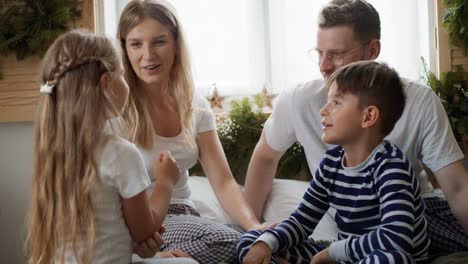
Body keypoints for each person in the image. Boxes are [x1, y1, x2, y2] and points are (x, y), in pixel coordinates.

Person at [243, 0, 468, 255]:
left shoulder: (417, 102)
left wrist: (335, 253)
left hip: (412, 216)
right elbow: (265, 156)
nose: (324, 66)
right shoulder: (301, 103)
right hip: (348, 223)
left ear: (372, 50)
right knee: (256, 243)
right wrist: (251, 227)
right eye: (319, 53)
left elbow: (457, 188)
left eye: (337, 54)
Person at [26, 29, 198, 264]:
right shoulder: (120, 153)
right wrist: (166, 181)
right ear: (107, 83)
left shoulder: (54, 152)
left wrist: (147, 250)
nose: (127, 83)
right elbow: (145, 231)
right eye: (123, 75)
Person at [238, 60, 430, 264]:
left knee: (391, 259)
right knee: (252, 242)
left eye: (336, 102)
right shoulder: (331, 163)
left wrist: (333, 252)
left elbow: (396, 238)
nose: (323, 110)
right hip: (345, 256)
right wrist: (267, 242)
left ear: (368, 116)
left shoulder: (391, 168)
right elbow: (302, 222)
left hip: (383, 255)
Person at [117, 0, 261, 263]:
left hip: (191, 217)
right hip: (154, 225)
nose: (147, 55)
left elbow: (224, 182)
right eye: (136, 44)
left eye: (159, 42)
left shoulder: (194, 103)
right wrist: (149, 250)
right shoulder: (116, 109)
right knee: (232, 243)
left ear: (175, 45)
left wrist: (255, 227)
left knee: (267, 241)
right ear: (124, 49)